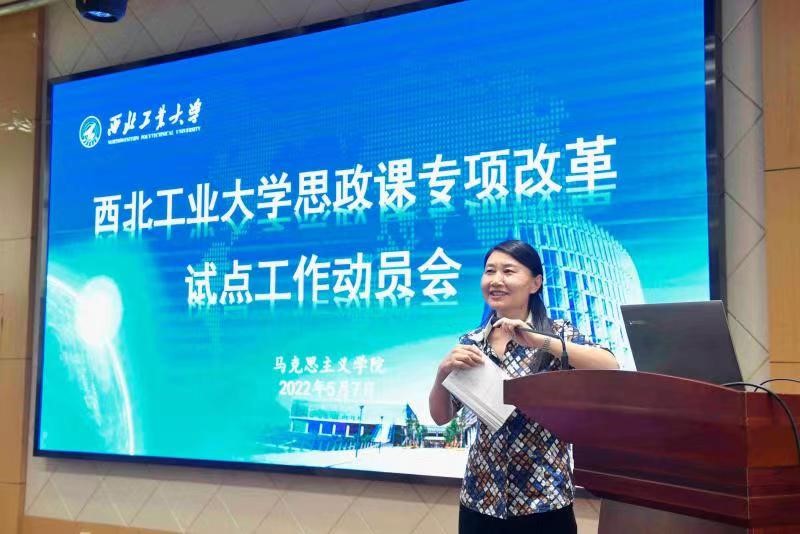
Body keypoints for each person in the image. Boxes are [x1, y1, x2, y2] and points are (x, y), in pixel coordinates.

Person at [429, 239, 618, 534]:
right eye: (489, 271)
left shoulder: (557, 333)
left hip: (544, 500)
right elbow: (442, 417)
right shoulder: (471, 343)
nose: (496, 280)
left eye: (508, 271)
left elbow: (610, 366)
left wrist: (540, 341)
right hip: (481, 500)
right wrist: (442, 373)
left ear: (535, 283)